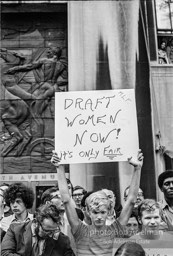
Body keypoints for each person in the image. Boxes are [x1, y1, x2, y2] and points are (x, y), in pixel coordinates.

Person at [51, 149, 144, 256]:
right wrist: (59, 167)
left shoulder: (115, 230)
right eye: (95, 212)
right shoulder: (80, 231)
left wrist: (137, 169)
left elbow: (131, 200)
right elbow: (66, 200)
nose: (99, 216)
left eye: (102, 212)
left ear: (109, 212)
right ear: (88, 212)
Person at [1, 203, 75, 256]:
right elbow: (5, 253)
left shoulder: (63, 240)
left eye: (54, 231)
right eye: (47, 231)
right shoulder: (15, 230)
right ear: (36, 223)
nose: (51, 235)